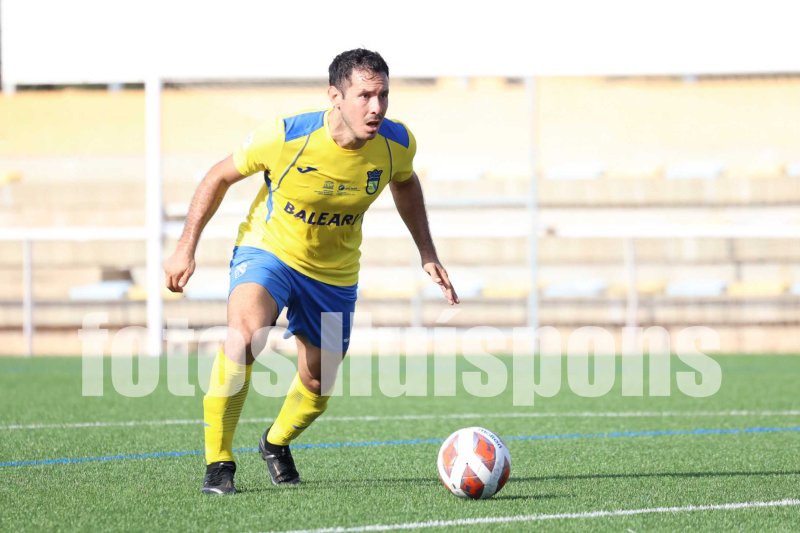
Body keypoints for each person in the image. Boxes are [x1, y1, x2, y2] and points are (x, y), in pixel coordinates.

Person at [164, 48, 459, 495]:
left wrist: (427, 251)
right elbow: (218, 176)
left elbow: (405, 182)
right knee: (244, 336)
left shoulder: (397, 144)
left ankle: (275, 442)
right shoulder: (286, 136)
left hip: (334, 271)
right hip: (269, 250)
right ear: (335, 96)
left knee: (318, 381)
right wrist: (186, 247)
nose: (376, 108)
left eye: (383, 96)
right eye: (364, 96)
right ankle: (218, 462)